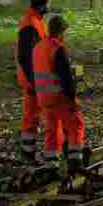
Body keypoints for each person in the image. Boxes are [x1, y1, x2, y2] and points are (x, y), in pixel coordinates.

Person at [32, 16, 86, 173]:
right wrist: (72, 99)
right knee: (76, 125)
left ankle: (51, 164)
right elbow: (65, 78)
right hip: (59, 96)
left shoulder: (38, 47)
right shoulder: (57, 48)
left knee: (53, 129)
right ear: (62, 32)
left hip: (43, 97)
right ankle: (75, 161)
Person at [15, 0, 50, 164]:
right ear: (43, 4)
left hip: (35, 75)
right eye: (48, 3)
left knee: (34, 113)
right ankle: (27, 152)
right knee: (32, 114)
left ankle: (28, 150)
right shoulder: (31, 24)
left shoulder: (35, 21)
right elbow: (25, 56)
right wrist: (33, 79)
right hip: (32, 77)